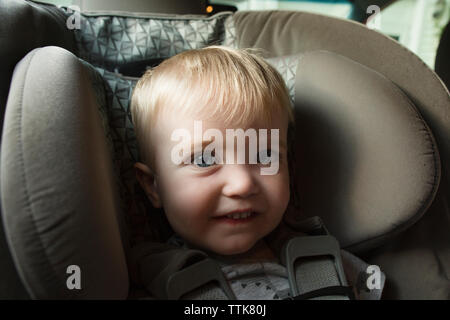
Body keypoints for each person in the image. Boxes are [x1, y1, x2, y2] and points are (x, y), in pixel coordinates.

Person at [130, 46, 384, 300]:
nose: (241, 184)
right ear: (153, 186)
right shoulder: (145, 280)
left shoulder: (326, 261)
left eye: (265, 156)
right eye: (205, 159)